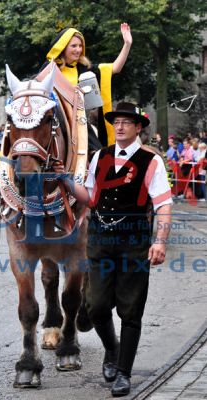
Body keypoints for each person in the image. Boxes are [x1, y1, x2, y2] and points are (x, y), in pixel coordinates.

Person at [53, 102, 172, 397]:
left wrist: (160, 240)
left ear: (138, 127)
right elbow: (91, 196)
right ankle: (112, 350)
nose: (119, 127)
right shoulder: (100, 157)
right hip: (100, 240)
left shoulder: (150, 161)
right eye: (116, 122)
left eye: (126, 123)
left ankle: (123, 372)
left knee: (131, 310)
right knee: (95, 305)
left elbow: (163, 204)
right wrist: (66, 180)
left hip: (134, 242)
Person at [42, 23, 132, 147]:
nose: (78, 49)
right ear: (63, 47)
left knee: (98, 152)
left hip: (78, 121)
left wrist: (127, 44)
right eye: (73, 46)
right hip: (52, 121)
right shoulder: (49, 69)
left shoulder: (85, 68)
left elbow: (115, 68)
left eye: (80, 46)